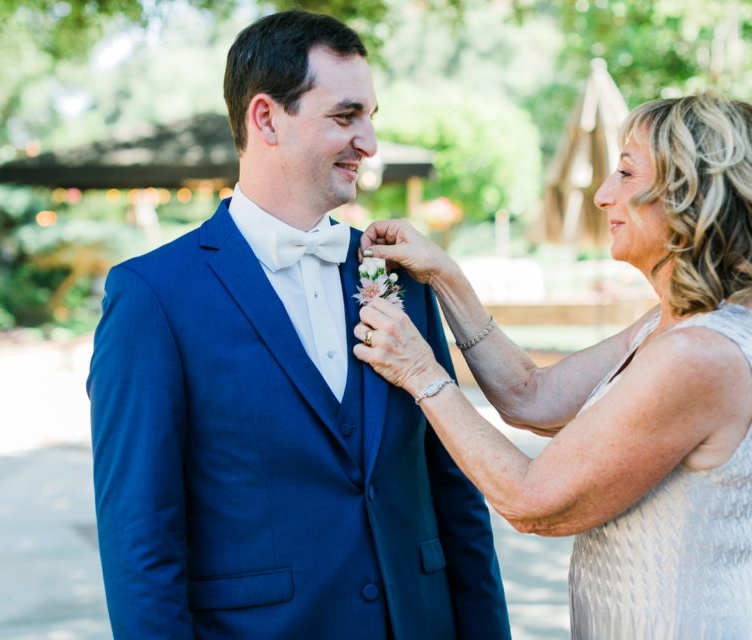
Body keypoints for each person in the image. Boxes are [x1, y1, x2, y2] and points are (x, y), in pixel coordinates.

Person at [87, 10, 509, 640]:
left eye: (370, 117)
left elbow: (453, 495)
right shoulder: (153, 297)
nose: (368, 142)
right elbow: (140, 543)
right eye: (345, 117)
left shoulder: (396, 273)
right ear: (266, 119)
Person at [353, 92, 752, 637]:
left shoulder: (701, 355)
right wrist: (445, 277)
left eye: (626, 172)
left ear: (690, 192)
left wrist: (421, 373)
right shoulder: (675, 324)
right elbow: (531, 395)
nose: (603, 194)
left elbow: (531, 500)